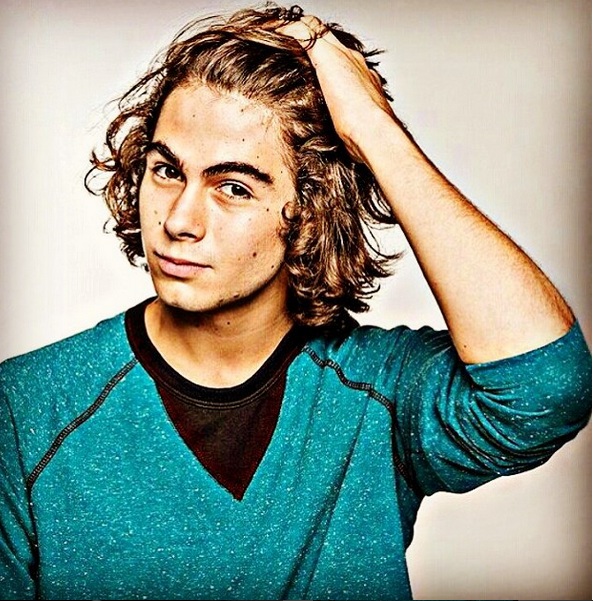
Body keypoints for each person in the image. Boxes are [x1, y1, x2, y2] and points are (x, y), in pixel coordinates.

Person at [0, 3, 590, 600]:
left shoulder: (376, 392)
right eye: (167, 171)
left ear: (311, 210)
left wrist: (372, 129)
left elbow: (546, 388)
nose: (179, 220)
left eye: (233, 188)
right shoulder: (26, 410)